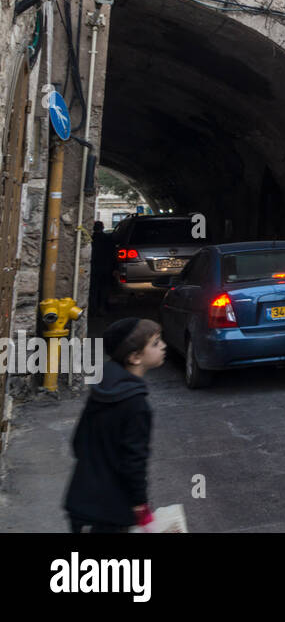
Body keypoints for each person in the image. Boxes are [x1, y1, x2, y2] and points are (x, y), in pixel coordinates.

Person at [64, 318, 166, 533]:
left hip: (81, 499)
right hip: (112, 510)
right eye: (156, 343)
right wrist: (141, 505)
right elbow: (134, 461)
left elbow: (78, 442)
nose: (163, 346)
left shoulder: (102, 388)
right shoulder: (137, 404)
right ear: (135, 357)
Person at [89, 221, 115, 312]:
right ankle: (102, 307)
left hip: (94, 267)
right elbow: (112, 253)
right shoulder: (108, 239)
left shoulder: (91, 239)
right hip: (106, 267)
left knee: (94, 289)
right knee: (104, 288)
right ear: (102, 227)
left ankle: (93, 308)